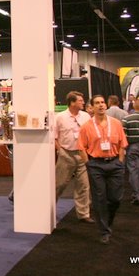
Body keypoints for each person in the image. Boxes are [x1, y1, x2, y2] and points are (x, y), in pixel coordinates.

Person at [78, 95, 128, 244]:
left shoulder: (116, 123)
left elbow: (122, 144)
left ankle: (107, 222)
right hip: (96, 165)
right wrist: (88, 164)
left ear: (106, 105)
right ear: (91, 107)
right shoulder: (86, 126)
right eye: (97, 103)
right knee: (99, 199)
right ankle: (104, 231)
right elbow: (81, 147)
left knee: (115, 198)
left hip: (115, 164)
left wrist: (120, 161)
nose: (101, 105)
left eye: (102, 102)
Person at [54, 91, 94, 223]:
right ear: (72, 103)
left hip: (82, 155)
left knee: (84, 185)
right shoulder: (60, 117)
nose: (83, 103)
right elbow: (54, 137)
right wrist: (60, 151)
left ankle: (84, 214)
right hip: (66, 154)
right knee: (59, 185)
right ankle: (49, 211)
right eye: (80, 100)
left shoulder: (86, 116)